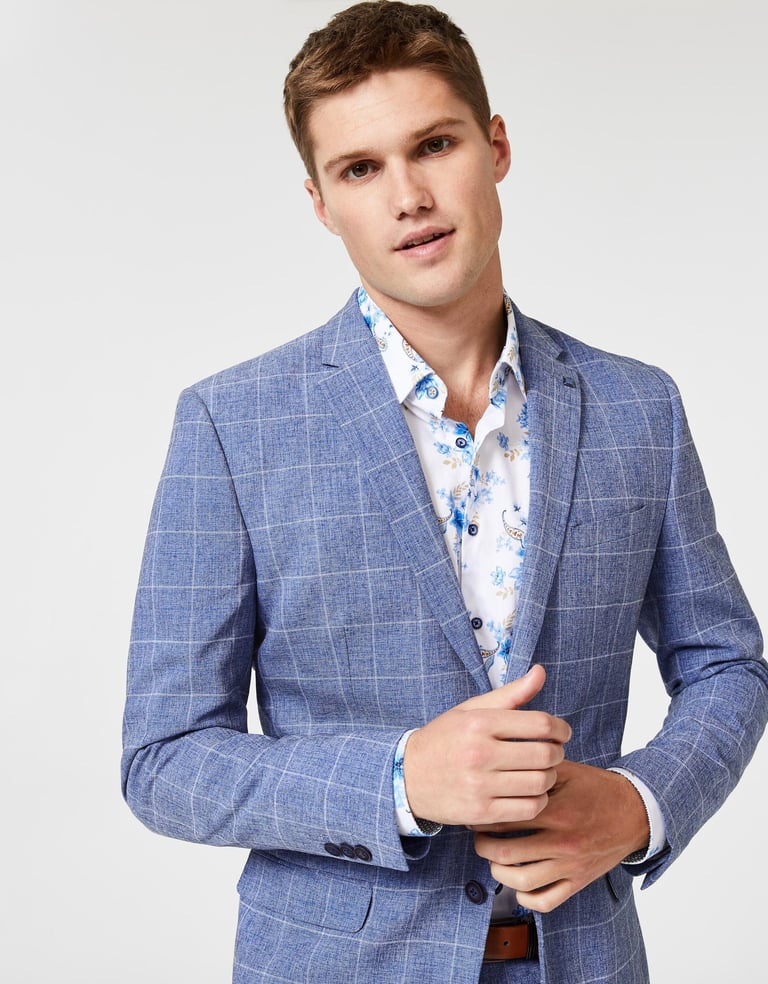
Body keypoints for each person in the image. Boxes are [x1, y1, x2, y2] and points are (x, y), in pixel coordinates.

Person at [121, 3, 767, 982]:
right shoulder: (232, 425)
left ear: (495, 145)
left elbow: (727, 664)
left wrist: (638, 805)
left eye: (434, 145)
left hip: (583, 961)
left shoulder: (639, 409)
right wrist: (399, 781)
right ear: (320, 202)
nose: (409, 197)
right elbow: (164, 758)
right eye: (360, 169)